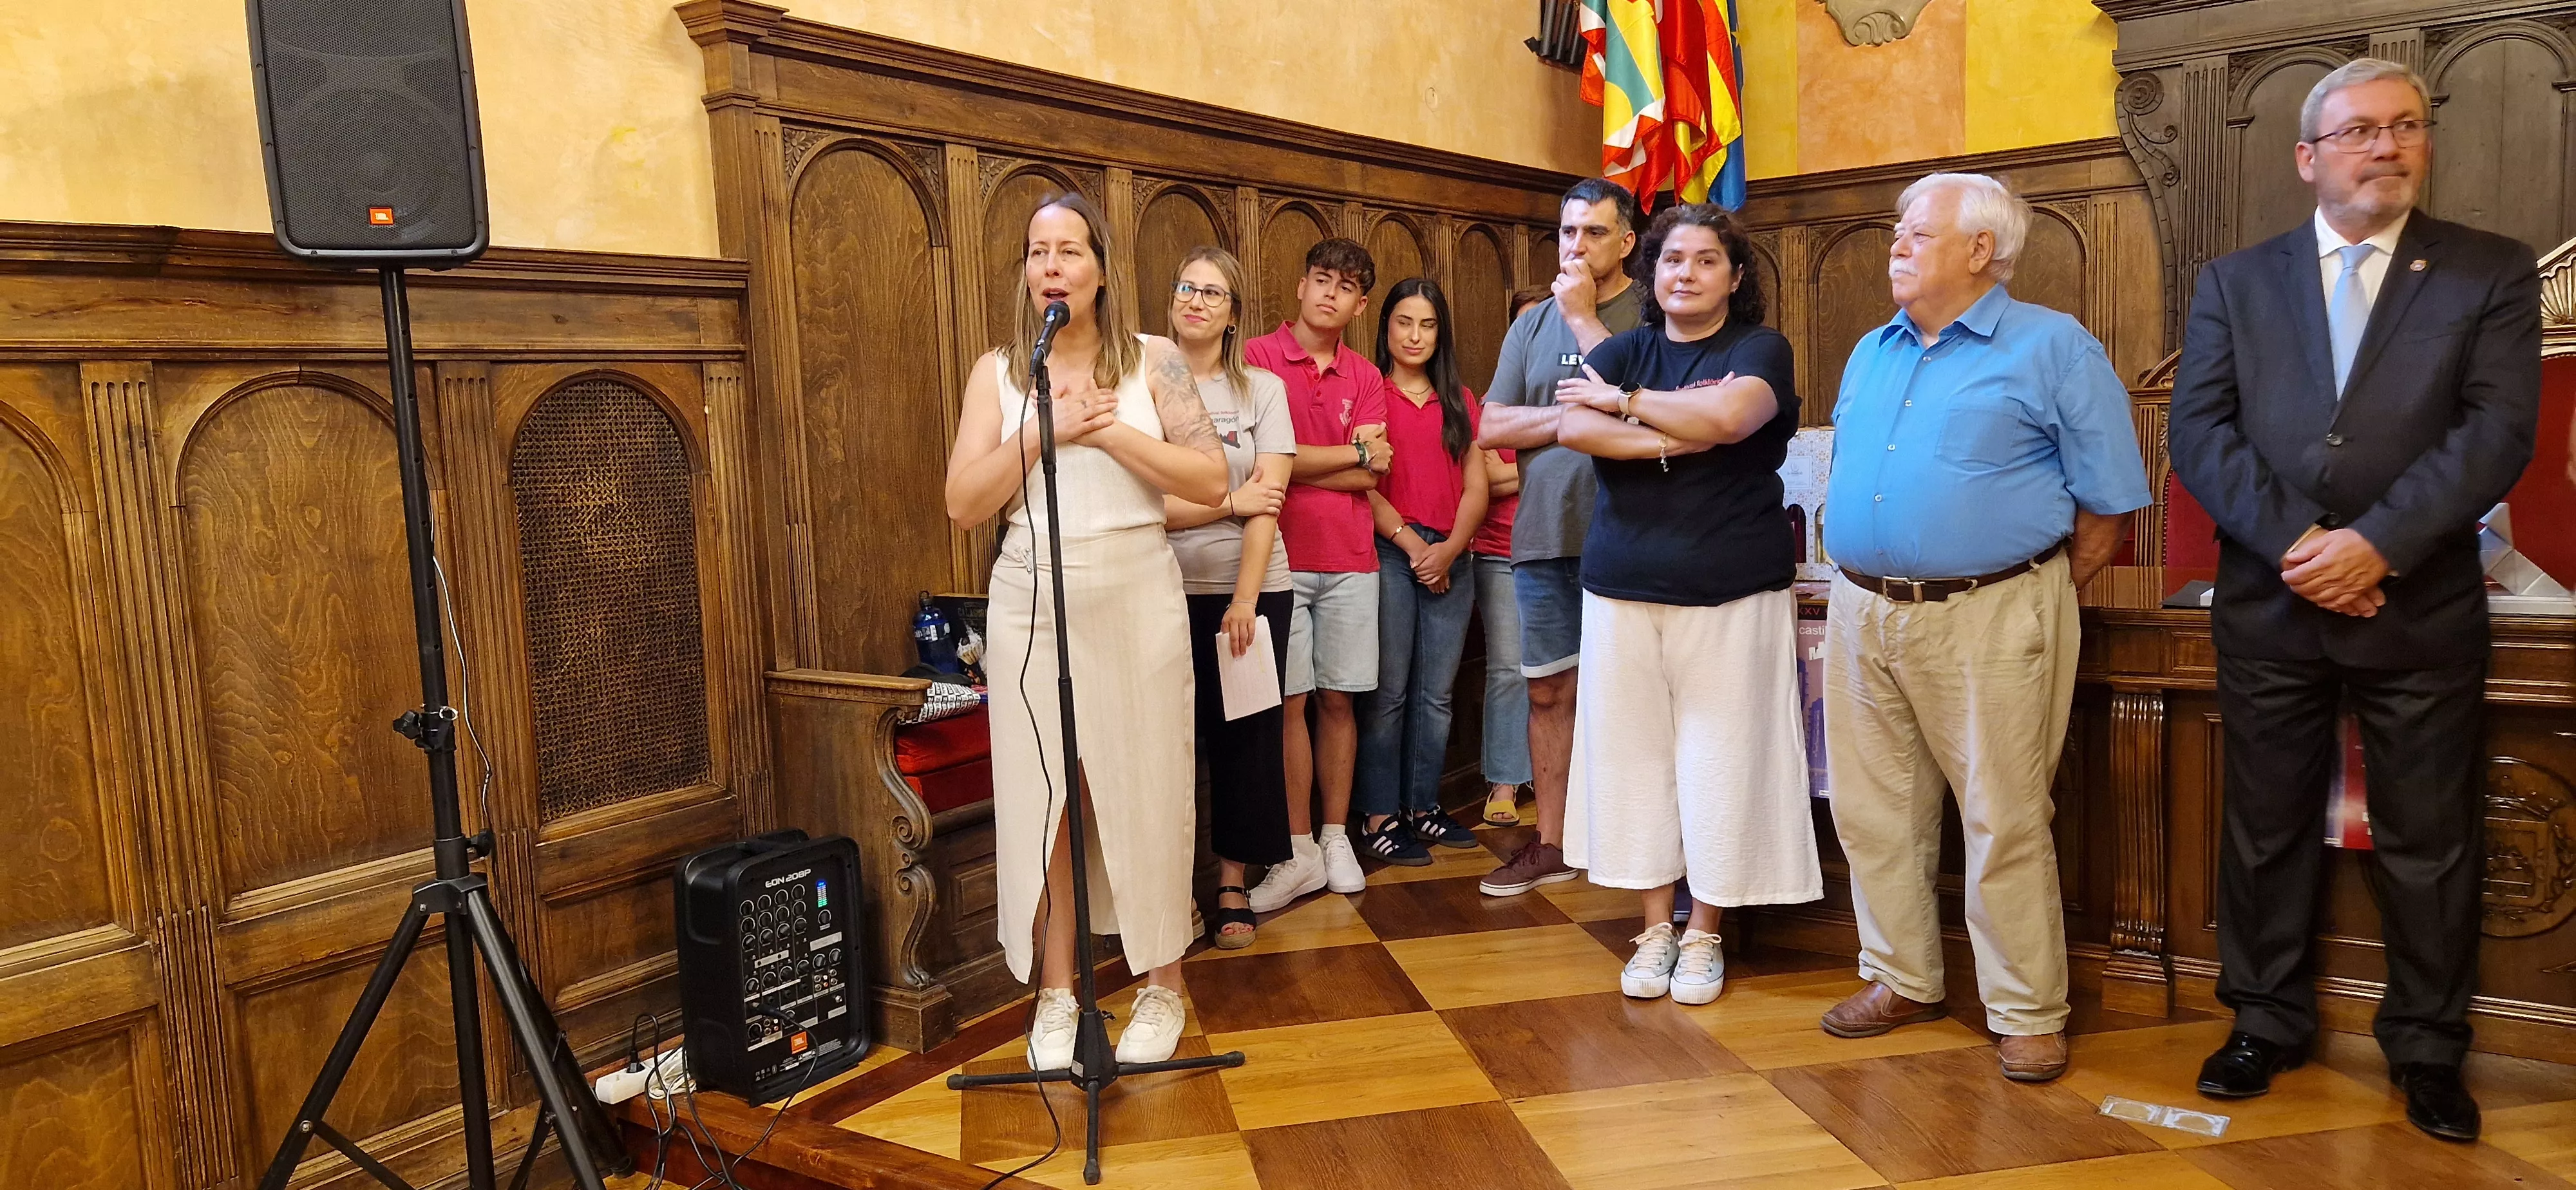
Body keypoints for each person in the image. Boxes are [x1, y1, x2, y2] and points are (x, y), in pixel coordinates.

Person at [2167, 59, 2540, 1142]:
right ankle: (2264, 1020)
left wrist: (2376, 543)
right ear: (2309, 155)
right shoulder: (2236, 280)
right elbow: (2200, 432)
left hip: (2416, 603)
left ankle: (2428, 1046)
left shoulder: (2488, 270)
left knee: (2429, 835)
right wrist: (2301, 543)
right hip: (2272, 603)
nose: (2387, 147)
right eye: (2362, 131)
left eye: (2406, 128)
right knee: (2265, 826)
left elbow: (2496, 430)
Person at [1817, 173, 2150, 1084]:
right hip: (1860, 609)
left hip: (1994, 612)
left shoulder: (2054, 347)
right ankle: (1902, 976)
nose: (1896, 244)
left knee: (2004, 820)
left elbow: (2109, 507)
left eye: (1917, 233)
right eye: (1898, 230)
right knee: (1873, 814)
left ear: (1979, 251)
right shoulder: (1871, 350)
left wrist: (2024, 589)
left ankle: (2027, 1010)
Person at [942, 193, 1228, 1070]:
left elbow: (1212, 480)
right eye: (1037, 252)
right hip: (1031, 594)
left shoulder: (1156, 361)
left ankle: (1162, 986)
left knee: (1146, 789)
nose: (1051, 266)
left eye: (1069, 250)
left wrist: (1108, 438)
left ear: (1101, 267)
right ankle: (1058, 995)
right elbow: (963, 504)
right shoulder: (998, 371)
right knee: (1046, 797)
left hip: (1136, 587)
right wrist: (1044, 432)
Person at [1555, 202, 1820, 1007]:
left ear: (1734, 278)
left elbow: (1736, 414)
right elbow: (1572, 428)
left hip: (1730, 589)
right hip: (1621, 586)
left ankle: (1704, 930)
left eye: (1706, 261)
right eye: (1673, 260)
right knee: (1634, 761)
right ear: (1651, 274)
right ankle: (1654, 927)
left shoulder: (1757, 348)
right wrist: (1687, 431)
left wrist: (1628, 405)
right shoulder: (1630, 346)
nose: (1687, 274)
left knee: (1719, 759)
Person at [1475, 178, 1647, 898]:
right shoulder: (1531, 323)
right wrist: (1573, 420)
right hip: (1543, 534)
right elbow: (1491, 426)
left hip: (1633, 534)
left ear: (1627, 242)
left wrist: (1585, 328)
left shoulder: (1653, 312)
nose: (1576, 246)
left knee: (1635, 696)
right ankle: (1552, 842)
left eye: (1594, 233)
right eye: (1568, 232)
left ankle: (1638, 844)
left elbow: (1647, 414)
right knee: (1547, 692)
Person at [1242, 239, 1392, 902]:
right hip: (1275, 558)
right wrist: (1346, 451)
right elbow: (1259, 459)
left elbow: (1376, 468)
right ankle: (1296, 848)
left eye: (1346, 286)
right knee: (1288, 704)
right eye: (1321, 279)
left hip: (1352, 559)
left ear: (1360, 305)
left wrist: (1303, 457)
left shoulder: (1364, 375)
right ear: (1301, 286)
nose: (1330, 293)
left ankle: (1335, 835)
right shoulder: (1256, 356)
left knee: (1339, 700)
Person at [1160, 247, 1297, 949]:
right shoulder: (1143, 384)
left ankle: (1233, 882)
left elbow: (1267, 502)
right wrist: (1226, 500)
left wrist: (1244, 602)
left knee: (1244, 742)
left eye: (1212, 293)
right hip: (1159, 591)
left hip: (1251, 591)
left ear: (1233, 313)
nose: (1196, 300)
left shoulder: (1261, 391)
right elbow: (1143, 507)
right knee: (1169, 745)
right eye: (1186, 287)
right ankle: (1170, 894)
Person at [1357, 278, 1490, 860]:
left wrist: (1451, 548)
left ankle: (1423, 806)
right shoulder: (1369, 392)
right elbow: (1365, 488)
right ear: (1385, 327)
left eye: (1428, 325)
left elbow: (1478, 484)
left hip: (1454, 554)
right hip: (1391, 549)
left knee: (1436, 695)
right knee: (1390, 691)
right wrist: (1416, 548)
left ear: (1441, 334)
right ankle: (1380, 817)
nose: (1415, 336)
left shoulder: (1459, 397)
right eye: (1404, 322)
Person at [1472, 288, 1551, 827]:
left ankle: (1564, 787)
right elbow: (1480, 479)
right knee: (1506, 670)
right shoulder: (1492, 404)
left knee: (1567, 674)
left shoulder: (1575, 393)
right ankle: (1504, 780)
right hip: (1499, 552)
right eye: (1524, 327)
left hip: (1563, 549)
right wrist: (1553, 453)